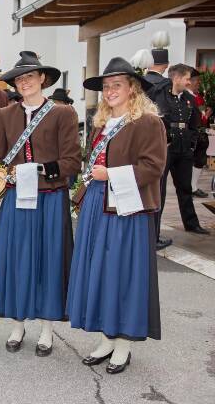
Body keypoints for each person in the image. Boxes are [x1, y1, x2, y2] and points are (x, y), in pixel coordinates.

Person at [67, 57, 165, 374]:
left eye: (116, 85)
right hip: (98, 204)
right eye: (107, 86)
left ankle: (123, 345)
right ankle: (107, 338)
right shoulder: (101, 125)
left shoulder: (148, 122)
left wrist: (110, 174)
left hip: (127, 208)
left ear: (132, 88)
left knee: (122, 274)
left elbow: (153, 168)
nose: (110, 91)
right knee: (99, 272)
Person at [0, 51, 80, 357]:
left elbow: (72, 162)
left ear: (43, 78)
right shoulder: (3, 116)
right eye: (19, 78)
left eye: (30, 76)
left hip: (50, 198)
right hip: (16, 199)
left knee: (48, 261)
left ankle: (46, 329)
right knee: (17, 260)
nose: (24, 82)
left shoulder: (63, 113)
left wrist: (39, 169)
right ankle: (17, 325)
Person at [150, 63, 210, 243]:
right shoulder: (159, 95)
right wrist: (164, 140)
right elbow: (154, 120)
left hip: (183, 149)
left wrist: (191, 144)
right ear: (176, 78)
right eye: (186, 78)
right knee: (159, 190)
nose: (189, 81)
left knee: (185, 188)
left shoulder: (188, 99)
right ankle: (154, 233)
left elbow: (194, 123)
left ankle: (191, 223)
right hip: (165, 148)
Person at [188, 68, 211, 198]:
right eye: (196, 80)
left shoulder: (199, 96)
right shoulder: (187, 96)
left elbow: (203, 116)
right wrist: (205, 115)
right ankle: (188, 187)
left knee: (200, 160)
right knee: (188, 161)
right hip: (192, 134)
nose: (198, 83)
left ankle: (193, 186)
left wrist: (206, 115)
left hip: (201, 134)